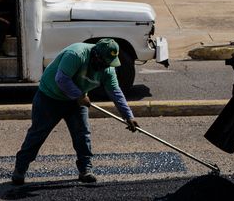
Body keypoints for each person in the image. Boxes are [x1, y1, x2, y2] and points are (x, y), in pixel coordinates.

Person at [11, 39, 139, 186]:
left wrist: (128, 116)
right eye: (104, 62)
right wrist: (79, 95)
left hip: (77, 101)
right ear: (95, 55)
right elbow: (61, 79)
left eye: (109, 63)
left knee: (82, 134)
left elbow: (115, 91)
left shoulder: (107, 69)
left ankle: (86, 169)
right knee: (37, 133)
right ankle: (20, 169)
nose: (106, 66)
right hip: (50, 97)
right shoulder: (76, 55)